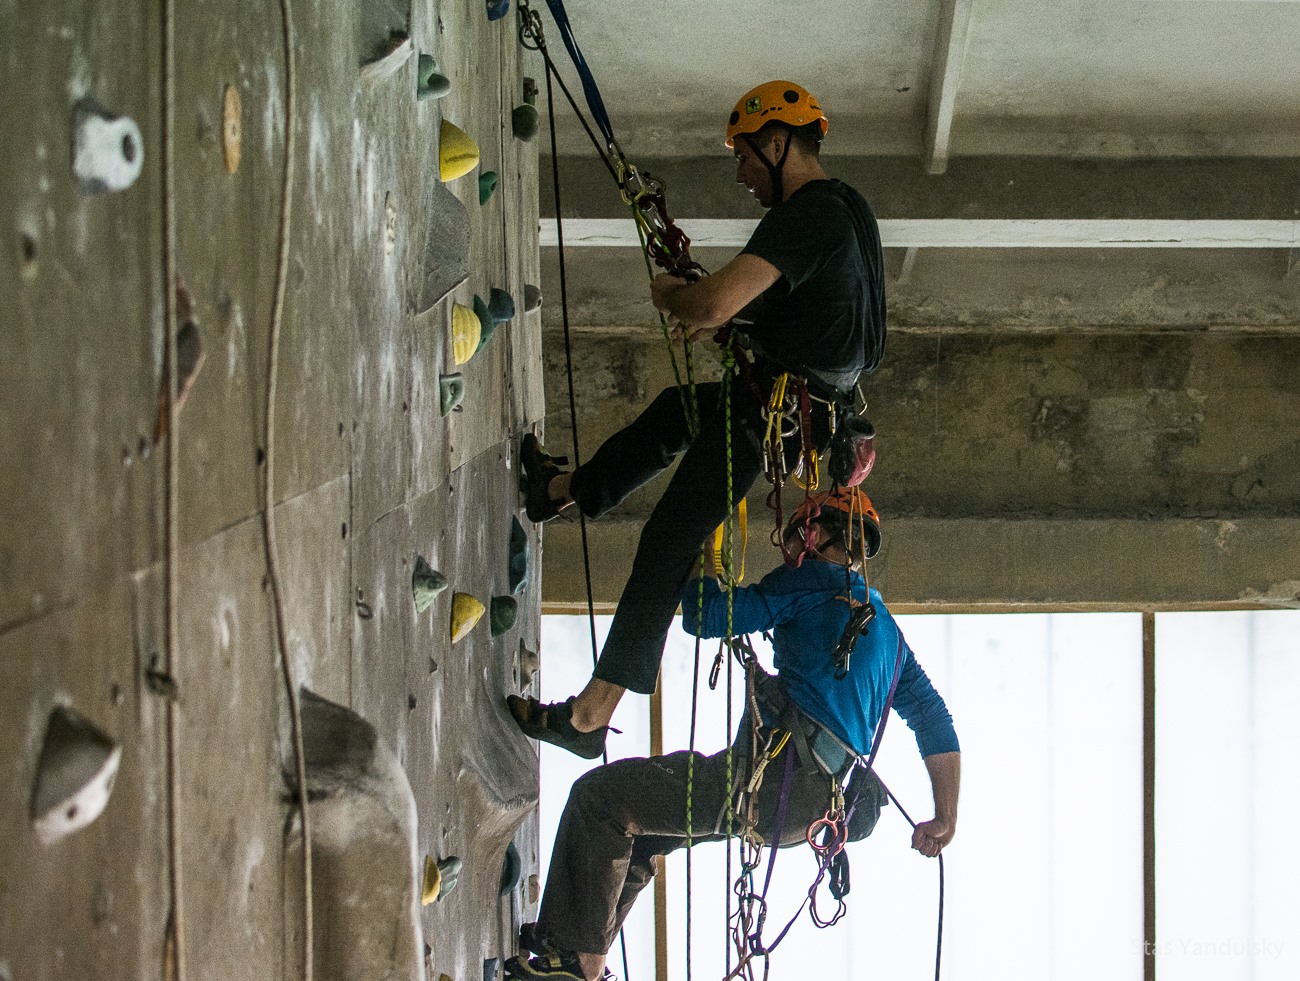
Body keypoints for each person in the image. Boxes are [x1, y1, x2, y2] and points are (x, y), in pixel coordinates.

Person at [510, 81, 887, 758]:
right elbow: (797, 316)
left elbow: (714, 305)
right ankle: (558, 493)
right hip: (793, 408)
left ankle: (592, 714)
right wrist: (723, 315)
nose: (741, 173)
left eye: (744, 155)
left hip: (773, 414)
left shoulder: (811, 214)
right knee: (672, 416)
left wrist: (675, 296)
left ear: (777, 143)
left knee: (670, 536)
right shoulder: (848, 214)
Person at [504, 488, 960, 981]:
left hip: (770, 784)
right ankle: (574, 947)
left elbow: (705, 617)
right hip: (808, 807)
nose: (792, 548)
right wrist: (945, 816)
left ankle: (576, 963)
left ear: (816, 532)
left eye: (798, 535)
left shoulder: (808, 583)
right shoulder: (890, 637)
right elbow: (935, 723)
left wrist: (705, 555)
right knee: (647, 834)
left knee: (602, 799)